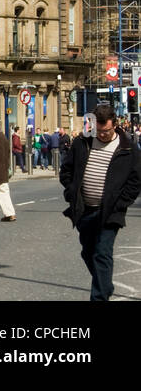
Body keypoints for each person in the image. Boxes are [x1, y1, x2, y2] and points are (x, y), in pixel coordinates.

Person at [60, 103, 141, 301]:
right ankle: (105, 284)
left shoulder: (128, 148)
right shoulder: (82, 143)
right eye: (99, 130)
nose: (103, 135)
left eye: (107, 131)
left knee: (102, 253)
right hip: (84, 209)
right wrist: (71, 192)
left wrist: (122, 202)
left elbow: (136, 179)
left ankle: (99, 297)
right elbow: (66, 170)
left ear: (115, 125)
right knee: (88, 253)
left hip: (110, 211)